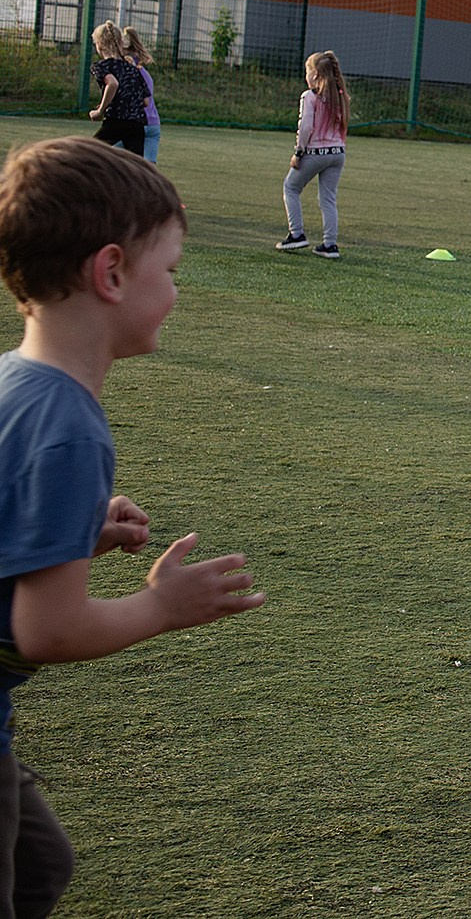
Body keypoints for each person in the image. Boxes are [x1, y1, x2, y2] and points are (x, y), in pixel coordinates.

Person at [0, 137, 266, 917]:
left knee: (39, 865)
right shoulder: (70, 426)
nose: (178, 292)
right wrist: (162, 606)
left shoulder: (16, 381)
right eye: (172, 269)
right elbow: (46, 629)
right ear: (111, 272)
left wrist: (76, 535)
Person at [277, 50, 349, 259]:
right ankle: (330, 244)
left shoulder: (310, 96)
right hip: (337, 153)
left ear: (316, 74)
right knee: (328, 199)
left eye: (307, 71)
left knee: (290, 187)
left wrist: (298, 153)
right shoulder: (339, 96)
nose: (305, 76)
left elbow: (306, 127)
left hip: (316, 152)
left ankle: (296, 234)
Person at [83, 22, 148, 155]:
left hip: (116, 121)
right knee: (136, 165)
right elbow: (146, 101)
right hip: (137, 124)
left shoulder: (101, 66)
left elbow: (112, 84)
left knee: (89, 153)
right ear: (120, 42)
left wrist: (100, 110)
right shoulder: (133, 69)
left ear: (100, 45)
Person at [119, 26, 162, 163]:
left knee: (100, 156)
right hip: (153, 125)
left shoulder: (126, 72)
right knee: (149, 168)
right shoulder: (144, 72)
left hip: (136, 125)